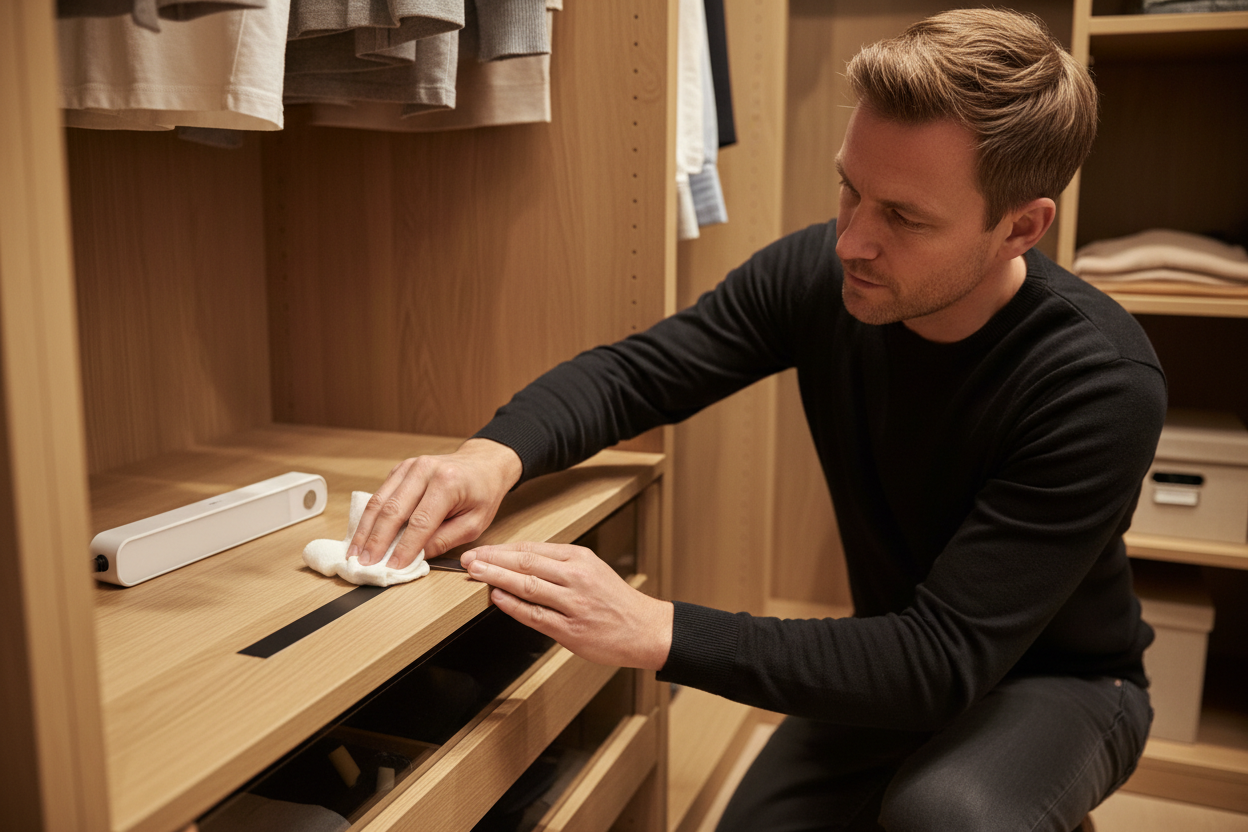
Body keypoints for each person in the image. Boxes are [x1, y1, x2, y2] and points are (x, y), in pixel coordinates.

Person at [347, 9, 1165, 831]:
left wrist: (653, 627)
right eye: (850, 187)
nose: (852, 240)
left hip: (1063, 683)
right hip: (898, 653)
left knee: (946, 816)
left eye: (905, 218)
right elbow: (639, 374)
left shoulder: (1098, 381)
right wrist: (491, 457)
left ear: (1020, 227)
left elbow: (943, 658)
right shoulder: (820, 275)